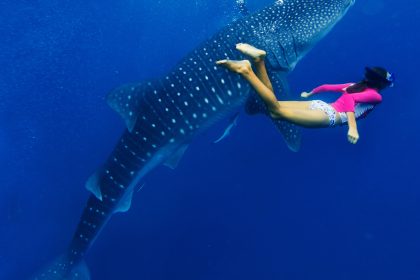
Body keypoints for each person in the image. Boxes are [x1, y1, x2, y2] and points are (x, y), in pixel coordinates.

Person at [216, 43, 395, 144]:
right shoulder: (376, 97)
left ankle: (258, 61)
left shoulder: (356, 84)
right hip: (330, 116)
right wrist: (353, 128)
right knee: (275, 111)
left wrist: (310, 94)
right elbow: (350, 98)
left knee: (272, 106)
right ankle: (246, 70)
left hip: (321, 105)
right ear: (383, 84)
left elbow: (327, 86)